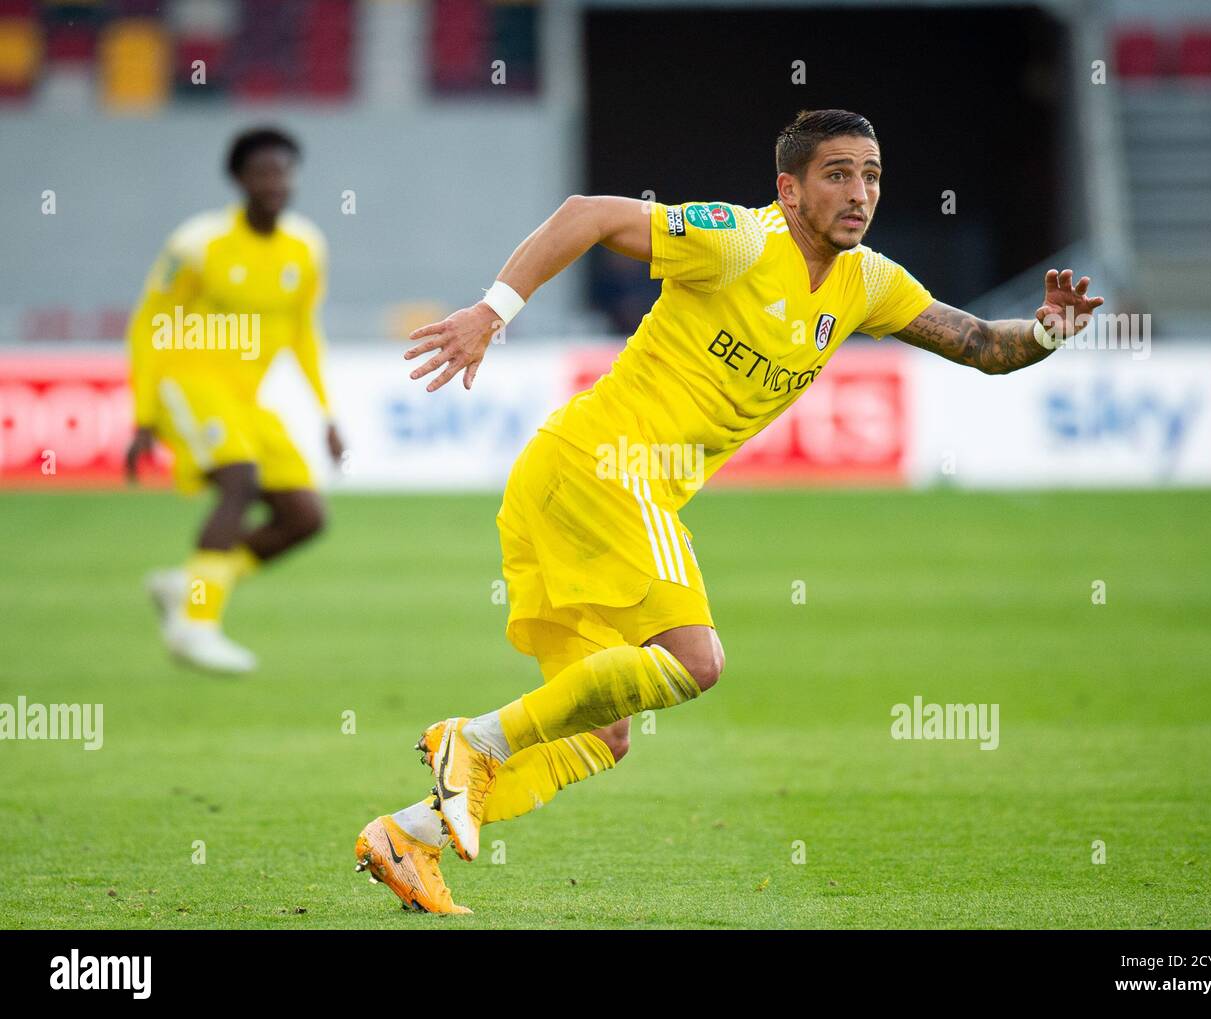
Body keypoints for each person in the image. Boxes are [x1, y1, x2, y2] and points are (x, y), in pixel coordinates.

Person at [354, 109, 1103, 913]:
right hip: (606, 462)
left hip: (567, 481)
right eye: (838, 174)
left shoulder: (867, 284)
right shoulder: (739, 240)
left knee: (601, 731)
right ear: (789, 188)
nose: (860, 194)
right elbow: (586, 215)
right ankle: (473, 741)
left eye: (873, 175)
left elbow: (983, 344)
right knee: (694, 660)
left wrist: (1048, 333)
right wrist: (491, 313)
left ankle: (410, 836)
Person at [125, 126, 343, 674]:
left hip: (248, 397)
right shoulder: (198, 244)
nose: (275, 183)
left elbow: (303, 335)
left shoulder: (306, 247)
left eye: (283, 172)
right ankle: (196, 627)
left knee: (304, 516)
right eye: (262, 172)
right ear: (239, 179)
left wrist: (326, 414)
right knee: (239, 481)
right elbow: (149, 324)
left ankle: (190, 586)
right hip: (189, 378)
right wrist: (145, 412)